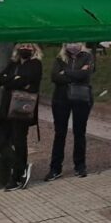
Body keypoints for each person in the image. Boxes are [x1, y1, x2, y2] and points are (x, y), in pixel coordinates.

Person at [0, 43, 43, 191]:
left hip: (22, 110)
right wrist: (15, 80)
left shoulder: (35, 64)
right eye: (23, 45)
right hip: (6, 110)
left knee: (19, 141)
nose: (25, 48)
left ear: (34, 49)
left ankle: (16, 177)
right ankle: (21, 167)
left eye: (29, 46)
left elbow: (25, 81)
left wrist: (11, 81)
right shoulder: (13, 63)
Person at [45, 42, 95, 181]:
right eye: (70, 43)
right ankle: (55, 168)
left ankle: (80, 165)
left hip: (81, 98)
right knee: (60, 133)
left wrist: (66, 72)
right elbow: (54, 77)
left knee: (80, 132)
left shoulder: (88, 56)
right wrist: (77, 73)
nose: (73, 45)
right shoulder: (59, 58)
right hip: (61, 99)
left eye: (76, 42)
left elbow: (85, 75)